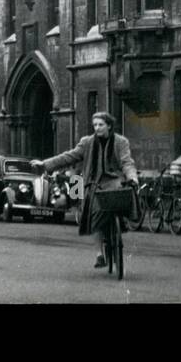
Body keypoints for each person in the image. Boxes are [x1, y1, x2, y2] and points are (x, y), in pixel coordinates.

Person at [32, 112, 138, 269]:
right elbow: (69, 156)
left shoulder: (121, 142)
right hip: (93, 183)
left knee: (122, 197)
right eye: (95, 125)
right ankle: (99, 254)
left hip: (114, 180)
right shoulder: (87, 142)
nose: (97, 128)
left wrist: (132, 177)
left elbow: (127, 162)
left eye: (101, 125)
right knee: (93, 210)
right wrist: (45, 164)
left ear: (109, 125)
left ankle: (121, 224)